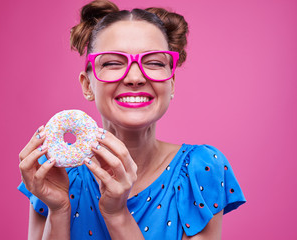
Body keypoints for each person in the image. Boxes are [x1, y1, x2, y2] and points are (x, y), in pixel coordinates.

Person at [18, 0, 246, 239]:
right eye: (114, 63)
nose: (135, 77)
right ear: (88, 86)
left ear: (171, 83)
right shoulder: (54, 171)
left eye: (155, 63)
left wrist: (117, 214)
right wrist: (59, 209)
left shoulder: (200, 169)